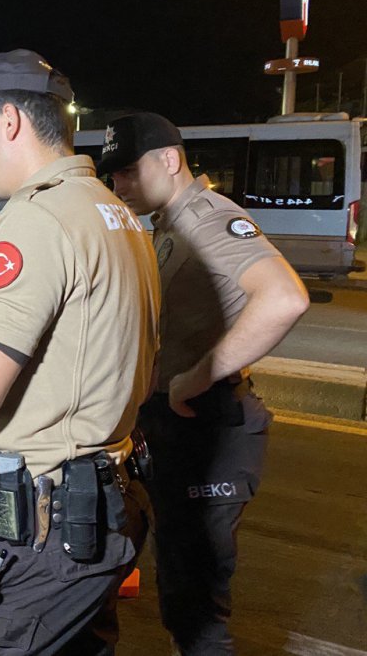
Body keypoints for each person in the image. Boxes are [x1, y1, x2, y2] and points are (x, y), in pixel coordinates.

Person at [0, 49, 161, 655]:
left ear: (10, 121)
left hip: (39, 536)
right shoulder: (115, 214)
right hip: (105, 511)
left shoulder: (36, 218)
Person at [96, 112, 310, 655]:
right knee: (174, 589)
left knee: (196, 613)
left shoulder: (210, 220)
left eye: (127, 172)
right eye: (113, 175)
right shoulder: (169, 225)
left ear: (170, 160)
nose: (118, 185)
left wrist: (194, 377)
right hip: (174, 432)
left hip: (207, 430)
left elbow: (285, 297)